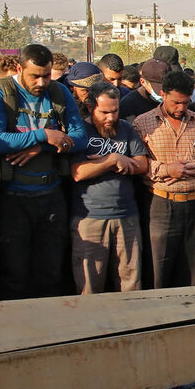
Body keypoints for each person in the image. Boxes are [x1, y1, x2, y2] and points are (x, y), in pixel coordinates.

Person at [0, 44, 86, 299]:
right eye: (34, 76)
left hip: (50, 195)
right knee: (15, 274)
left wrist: (41, 147)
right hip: (12, 197)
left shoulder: (59, 92)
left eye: (46, 75)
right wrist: (45, 134)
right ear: (19, 68)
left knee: (50, 274)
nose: (41, 82)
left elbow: (80, 137)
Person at [70, 82, 148, 293]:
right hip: (91, 218)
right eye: (104, 112)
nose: (111, 118)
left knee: (130, 281)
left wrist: (105, 163)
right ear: (90, 107)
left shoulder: (126, 128)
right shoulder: (80, 131)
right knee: (90, 284)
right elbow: (78, 173)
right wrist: (112, 160)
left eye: (115, 111)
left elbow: (142, 164)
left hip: (127, 215)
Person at [134, 70, 195, 289]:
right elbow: (140, 164)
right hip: (161, 204)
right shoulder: (143, 124)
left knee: (194, 268)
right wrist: (168, 169)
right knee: (159, 267)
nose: (181, 108)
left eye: (186, 103)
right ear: (162, 94)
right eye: (176, 102)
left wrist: (192, 167)